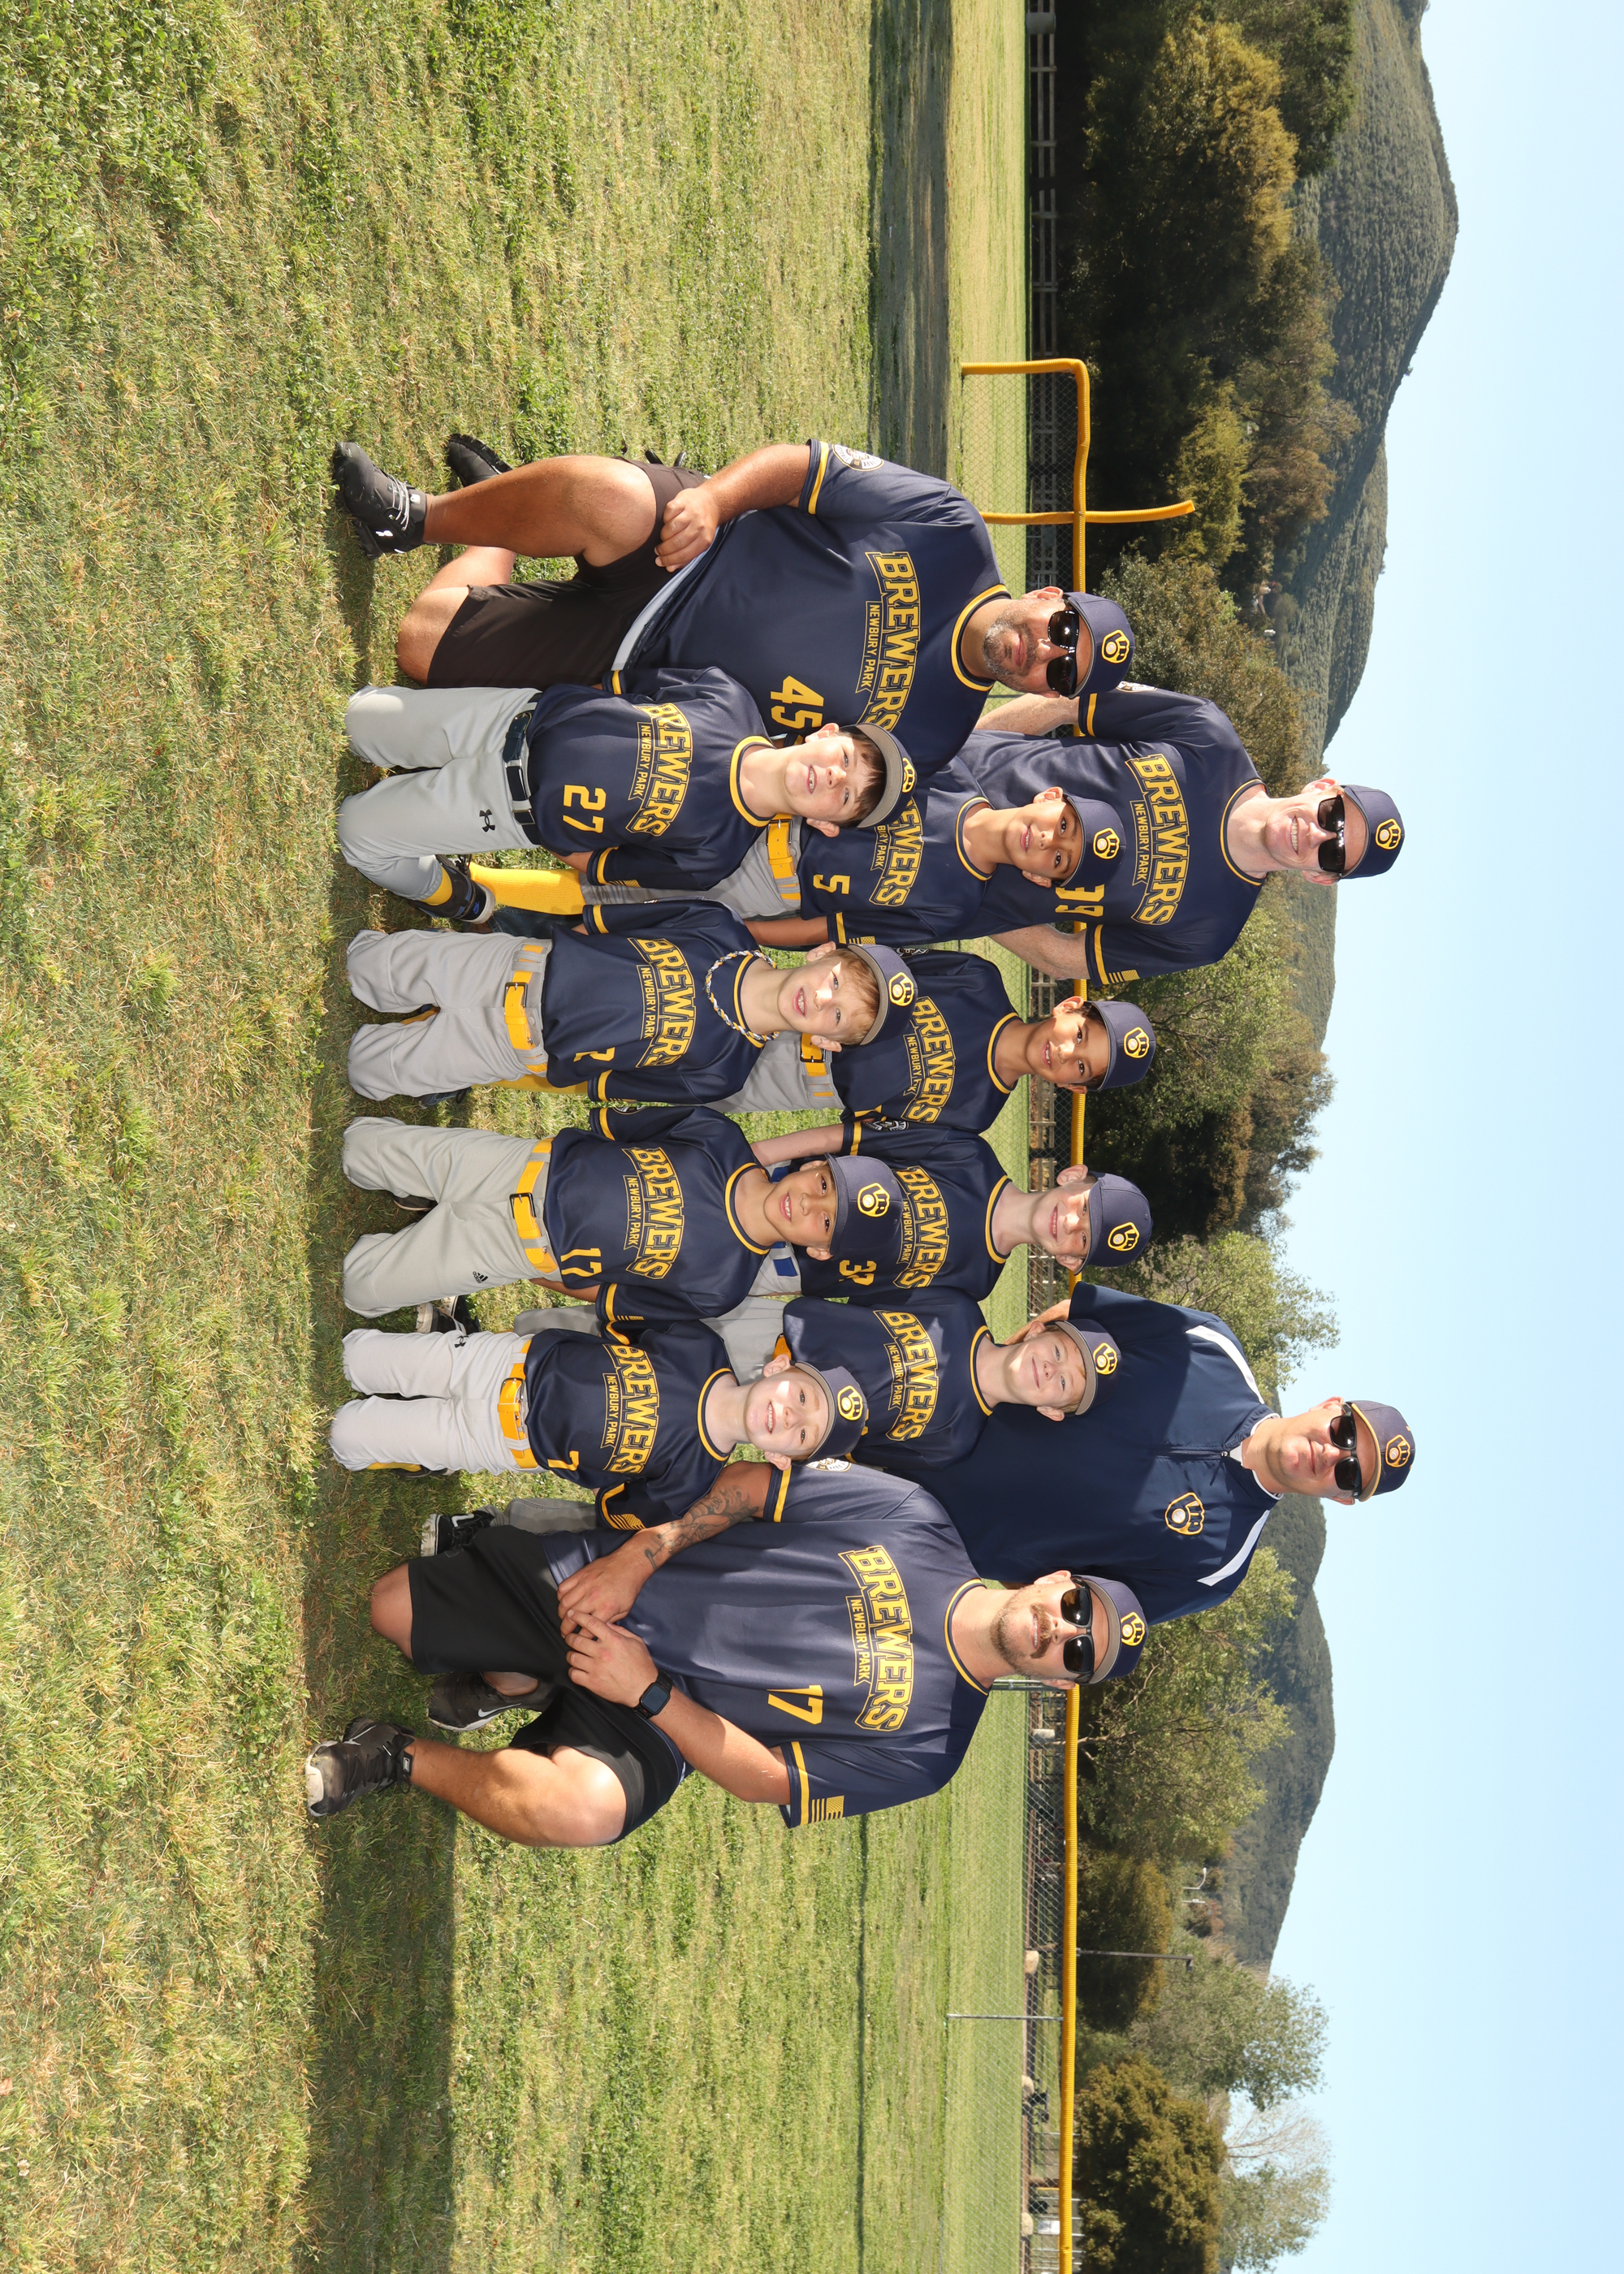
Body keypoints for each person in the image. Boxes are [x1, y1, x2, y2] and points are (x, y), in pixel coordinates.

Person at [303, 1460, 1151, 1844]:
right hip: (623, 1593)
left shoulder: (932, 1754)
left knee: (580, 1813)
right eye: (1077, 1608)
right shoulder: (918, 1520)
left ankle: (395, 1755)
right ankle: (518, 1675)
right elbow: (751, 1487)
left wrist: (647, 1693)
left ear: (1060, 1683)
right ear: (1057, 1578)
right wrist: (641, 1556)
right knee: (389, 1609)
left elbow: (768, 1779)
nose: (1063, 1631)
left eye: (1080, 1654)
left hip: (666, 1718)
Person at [329, 434, 1138, 771]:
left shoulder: (930, 735)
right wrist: (713, 500)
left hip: (640, 670)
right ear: (1049, 595)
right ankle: (414, 518)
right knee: (608, 497)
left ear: (1048, 691)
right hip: (685, 550)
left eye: (1062, 671)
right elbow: (804, 467)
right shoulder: (951, 530)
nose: (1045, 651)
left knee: (421, 644)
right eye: (1061, 629)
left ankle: (498, 531)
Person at [872, 1279, 1417, 1624]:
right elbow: (1068, 1315)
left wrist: (997, 1550)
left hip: (913, 1531)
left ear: (1342, 1499)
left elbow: (1070, 1603)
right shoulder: (1212, 1347)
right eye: (1346, 1432)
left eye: (1351, 1474)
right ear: (1330, 1405)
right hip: (914, 1415)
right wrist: (985, 1386)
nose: (1334, 1454)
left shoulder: (1218, 1569)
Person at [335, 668, 912, 927]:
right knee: (358, 721)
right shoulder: (730, 699)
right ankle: (415, 775)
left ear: (827, 826)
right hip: (509, 717)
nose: (831, 778)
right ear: (826, 734)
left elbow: (601, 865)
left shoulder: (718, 855)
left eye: (844, 798)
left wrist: (542, 818)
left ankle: (444, 890)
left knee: (356, 830)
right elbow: (625, 688)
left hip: (503, 808)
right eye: (844, 760)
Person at [953, 684, 1406, 987]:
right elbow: (1065, 703)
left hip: (934, 884)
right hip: (944, 772)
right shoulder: (1207, 732)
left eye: (1334, 854)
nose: (1319, 835)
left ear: (1321, 878)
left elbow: (1062, 957)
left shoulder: (1210, 933)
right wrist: (958, 753)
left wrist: (972, 903)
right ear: (1322, 787)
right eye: (1334, 815)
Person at [329, 1282, 853, 1532]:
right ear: (778, 1366)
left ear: (781, 1459)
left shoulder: (693, 1481)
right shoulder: (701, 1345)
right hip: (504, 1361)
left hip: (503, 1441)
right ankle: (397, 1392)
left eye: (801, 1435)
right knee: (354, 1357)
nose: (791, 1416)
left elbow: (617, 1509)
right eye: (802, 1397)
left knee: (346, 1435)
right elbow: (621, 1320)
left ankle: (408, 1446)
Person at [342, 902, 902, 1105]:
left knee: (369, 1070)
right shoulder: (721, 929)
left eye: (835, 1016)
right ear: (823, 952)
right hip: (521, 966)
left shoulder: (726, 1071)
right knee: (370, 966)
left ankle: (399, 1047)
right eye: (834, 980)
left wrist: (550, 1058)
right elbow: (607, 922)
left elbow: (618, 1083)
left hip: (518, 1046)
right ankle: (387, 984)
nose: (820, 999)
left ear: (825, 1042)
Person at [339, 1103, 858, 1320]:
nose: (807, 1202)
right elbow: (615, 1130)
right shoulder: (721, 1137)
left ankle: (427, 1230)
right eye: (822, 1184)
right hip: (517, 1167)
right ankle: (426, 1201)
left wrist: (531, 1270)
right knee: (355, 1148)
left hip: (519, 1247)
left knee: (360, 1290)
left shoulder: (725, 1286)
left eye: (825, 1220)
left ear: (820, 1250)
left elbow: (611, 1295)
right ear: (815, 1164)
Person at [715, 1121, 1151, 1308]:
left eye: (1082, 1239)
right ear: (1072, 1176)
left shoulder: (975, 1284)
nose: (1071, 1222)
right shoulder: (972, 1156)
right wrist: (756, 1155)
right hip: (787, 1191)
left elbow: (873, 1300)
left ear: (1069, 1260)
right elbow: (854, 1137)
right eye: (1084, 1207)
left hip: (794, 1270)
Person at [708, 1291, 1125, 1470]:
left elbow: (855, 1449)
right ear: (1037, 1330)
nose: (1051, 1370)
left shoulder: (955, 1442)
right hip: (777, 1340)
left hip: (779, 1423)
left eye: (1063, 1385)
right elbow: (868, 1296)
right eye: (1058, 1353)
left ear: (1051, 1411)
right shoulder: (958, 1308)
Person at [721, 962, 1156, 1130]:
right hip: (805, 1009)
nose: (1065, 1053)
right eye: (1079, 1036)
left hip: (809, 1085)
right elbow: (878, 967)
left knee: (707, 1086)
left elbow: (867, 1131)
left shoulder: (977, 1113)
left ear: (1073, 1088)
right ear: (1069, 1006)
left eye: (1081, 1068)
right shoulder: (979, 980)